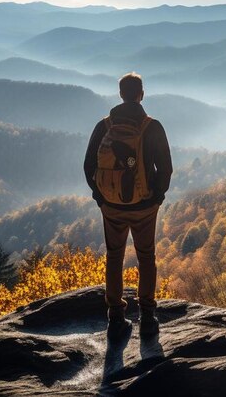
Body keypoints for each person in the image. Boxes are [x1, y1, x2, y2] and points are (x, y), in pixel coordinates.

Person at [84, 72, 172, 338]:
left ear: (120, 94)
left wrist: (100, 197)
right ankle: (147, 315)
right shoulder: (151, 126)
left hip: (111, 206)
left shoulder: (104, 125)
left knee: (114, 256)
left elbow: (89, 166)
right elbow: (165, 168)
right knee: (146, 257)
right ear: (141, 94)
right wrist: (157, 197)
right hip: (145, 206)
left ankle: (115, 316)